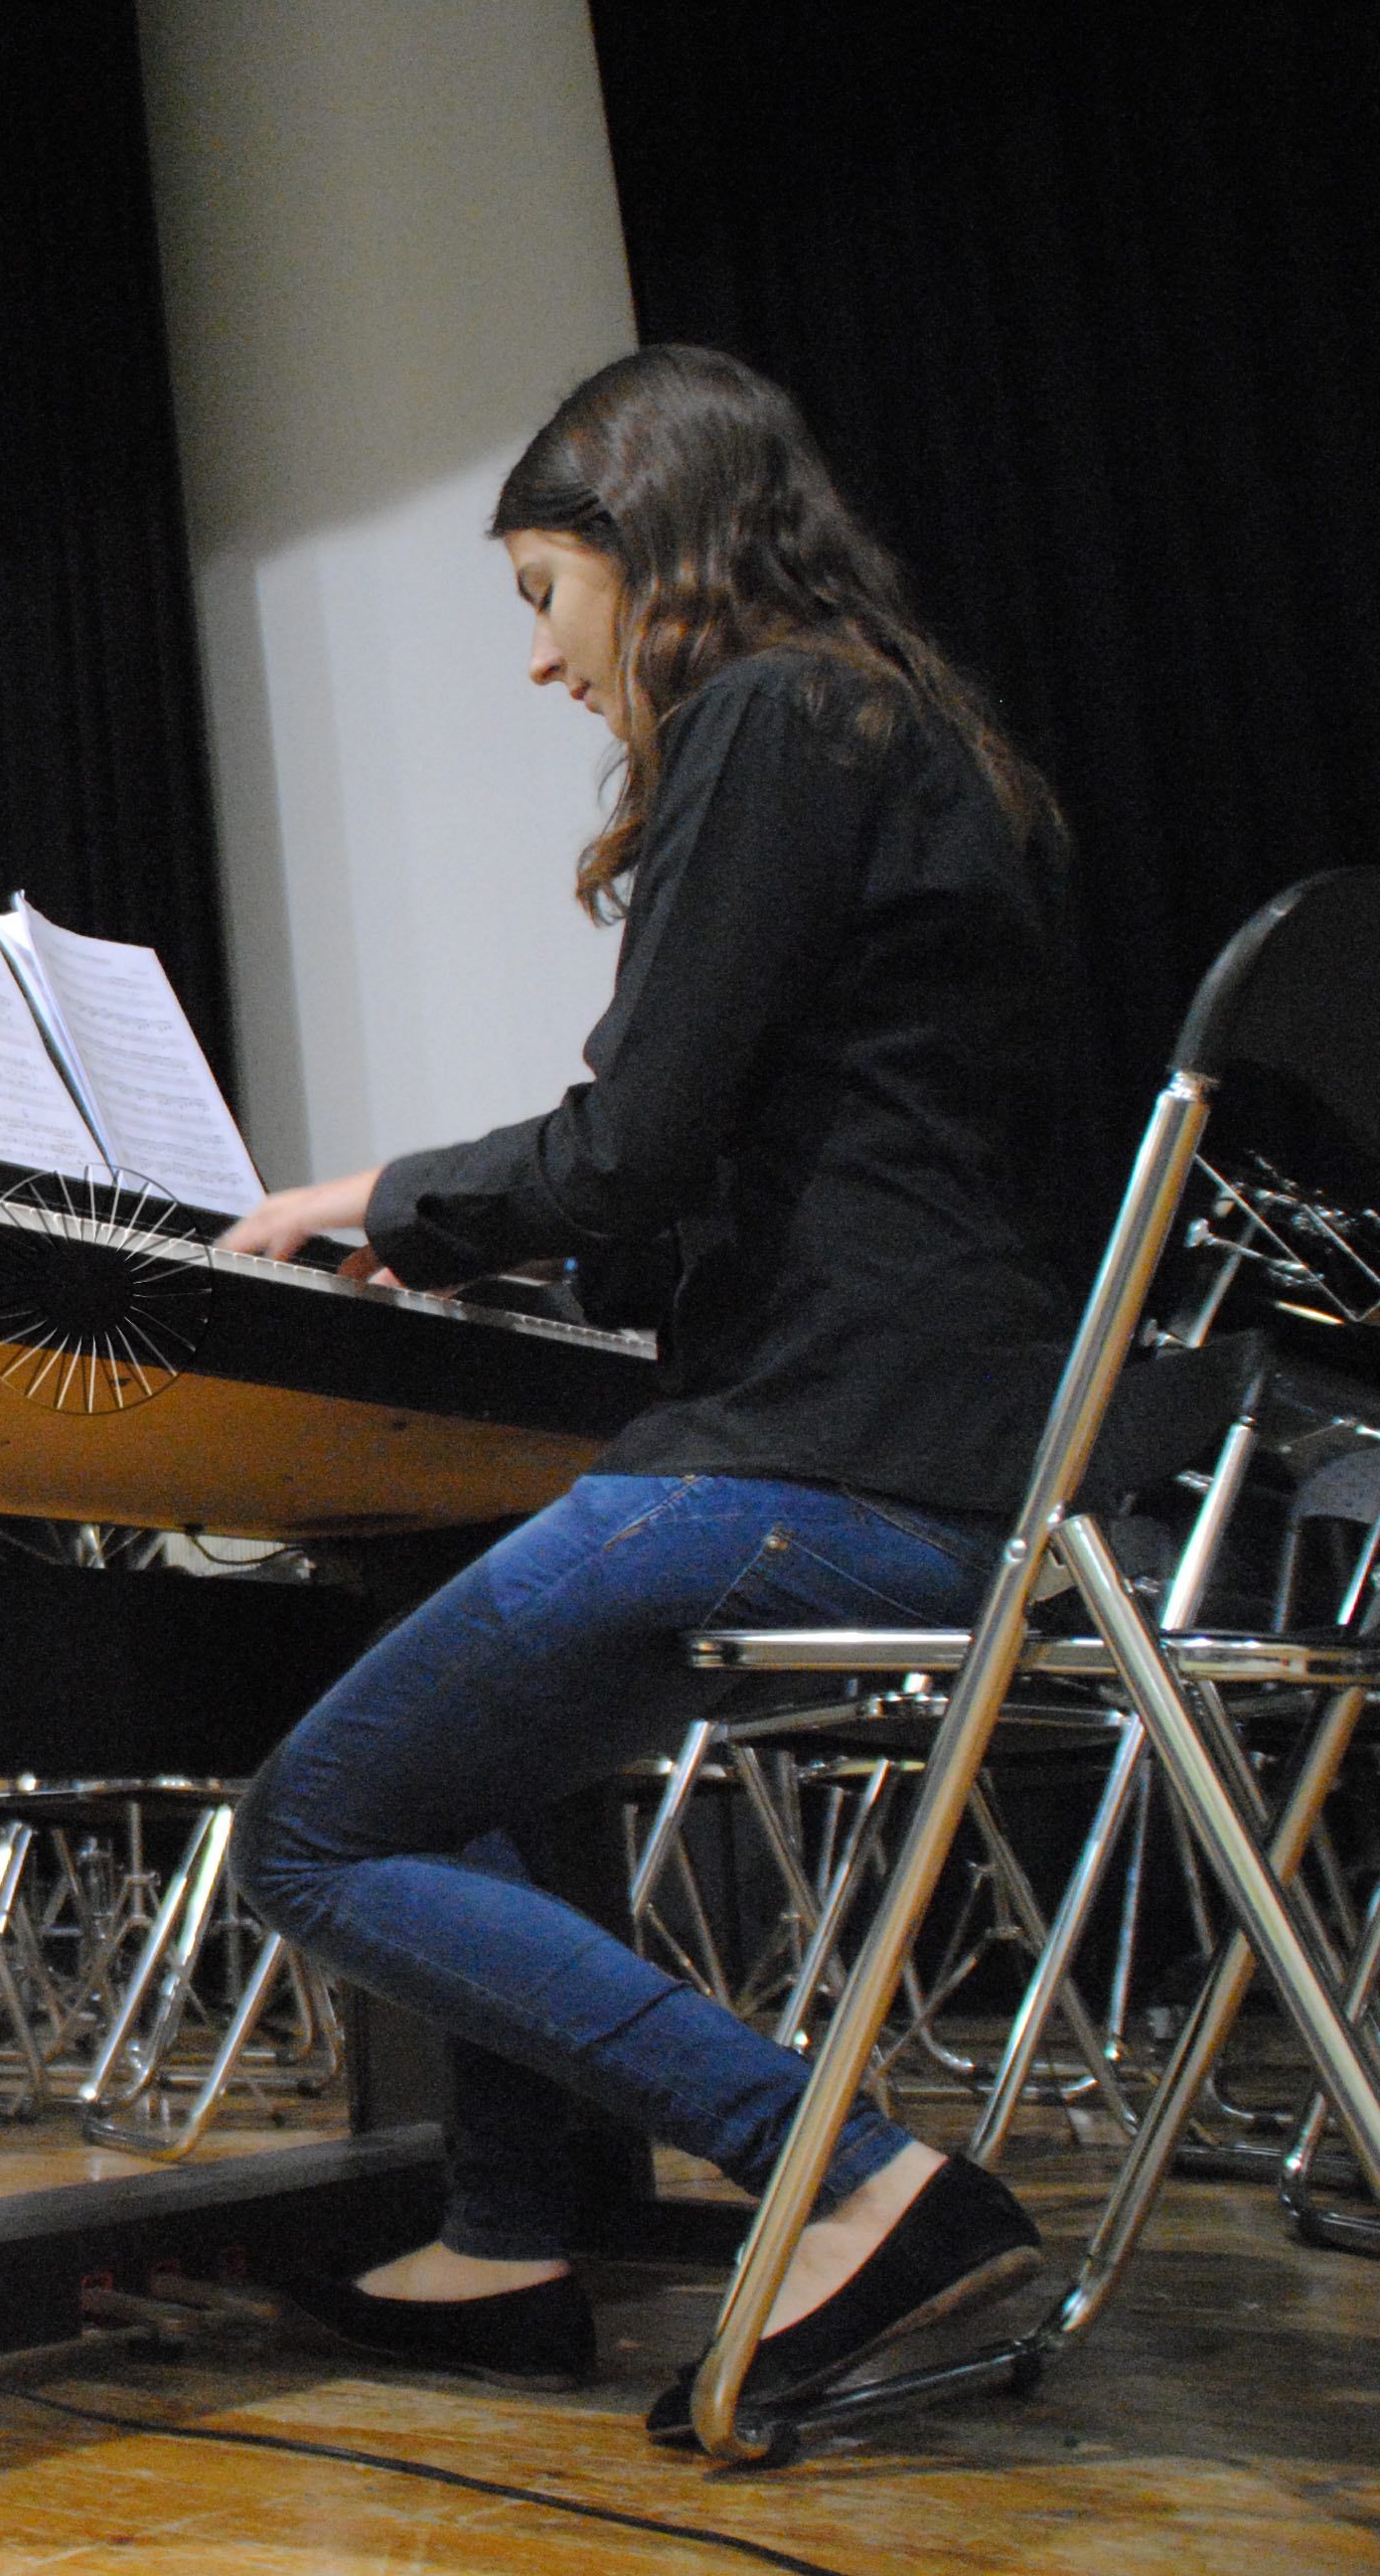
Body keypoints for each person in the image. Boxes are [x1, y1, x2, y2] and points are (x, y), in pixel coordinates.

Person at [212, 347, 1073, 2434]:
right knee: (493, 1742)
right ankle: (511, 2231)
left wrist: (371, 1200)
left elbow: (637, 1143)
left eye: (535, 591)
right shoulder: (918, 732)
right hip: (955, 1447)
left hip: (825, 1455)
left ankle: (852, 2178)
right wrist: (508, 1223)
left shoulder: (773, 716)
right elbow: (755, 1152)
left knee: (312, 1825)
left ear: (642, 549)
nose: (535, 658)